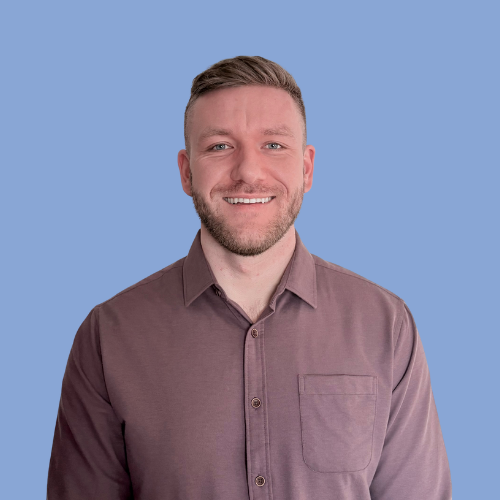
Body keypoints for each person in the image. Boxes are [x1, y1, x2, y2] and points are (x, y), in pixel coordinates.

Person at [47, 56, 452, 500]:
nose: (248, 172)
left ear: (307, 168)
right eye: (220, 146)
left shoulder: (386, 326)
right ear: (186, 171)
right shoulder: (109, 336)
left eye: (273, 145)